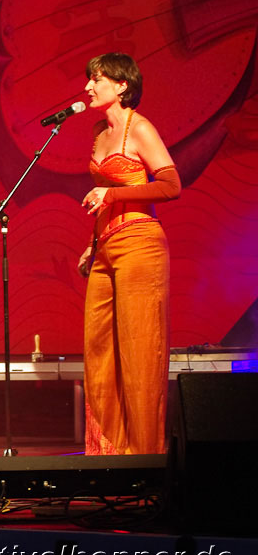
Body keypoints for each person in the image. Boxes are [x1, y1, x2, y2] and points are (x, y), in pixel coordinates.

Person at [77, 52, 181, 455]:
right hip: (106, 246)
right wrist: (92, 245)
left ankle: (145, 459)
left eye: (97, 79)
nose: (88, 86)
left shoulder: (140, 129)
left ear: (122, 85)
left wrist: (113, 192)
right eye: (88, 79)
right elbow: (103, 201)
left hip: (140, 244)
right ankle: (109, 455)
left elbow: (171, 185)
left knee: (139, 352)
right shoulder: (99, 133)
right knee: (99, 350)